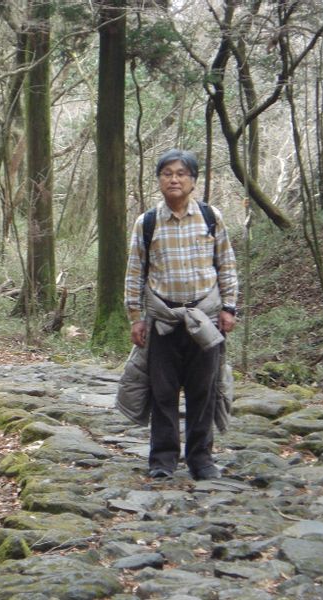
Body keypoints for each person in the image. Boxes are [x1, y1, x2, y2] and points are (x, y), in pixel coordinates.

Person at [125, 149, 237, 480]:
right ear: (159, 180)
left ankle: (201, 459)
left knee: (204, 390)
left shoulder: (210, 216)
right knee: (163, 392)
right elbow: (135, 272)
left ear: (193, 180)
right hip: (163, 320)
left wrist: (229, 307)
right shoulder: (146, 223)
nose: (174, 179)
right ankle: (163, 459)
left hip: (206, 318)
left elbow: (226, 263)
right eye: (167, 173)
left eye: (181, 174)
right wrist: (135, 316)